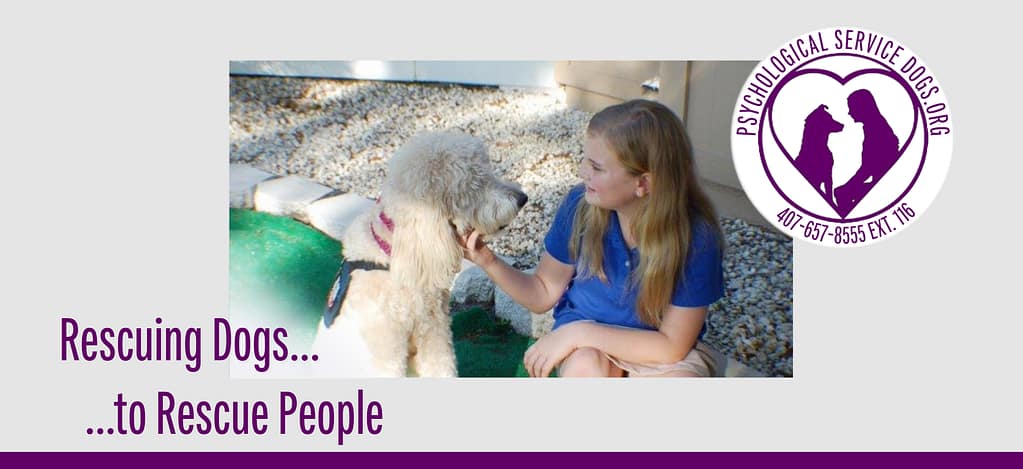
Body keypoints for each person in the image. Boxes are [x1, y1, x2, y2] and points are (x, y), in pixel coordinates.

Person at [460, 99, 725, 378]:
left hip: (655, 351)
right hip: (585, 348)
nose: (582, 172)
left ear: (643, 184)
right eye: (585, 160)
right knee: (586, 366)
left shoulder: (697, 237)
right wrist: (487, 260)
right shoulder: (580, 206)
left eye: (597, 167)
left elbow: (672, 347)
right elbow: (542, 292)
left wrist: (578, 332)